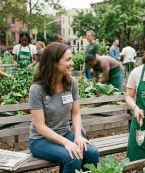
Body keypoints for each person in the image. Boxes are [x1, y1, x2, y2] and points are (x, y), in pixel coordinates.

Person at [28, 42, 99, 173]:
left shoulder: (72, 83)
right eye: (68, 59)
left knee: (92, 152)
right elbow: (40, 127)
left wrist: (78, 136)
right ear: (54, 63)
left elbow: (76, 114)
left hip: (65, 133)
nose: (72, 63)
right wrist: (67, 143)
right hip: (40, 140)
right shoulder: (37, 89)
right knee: (72, 157)